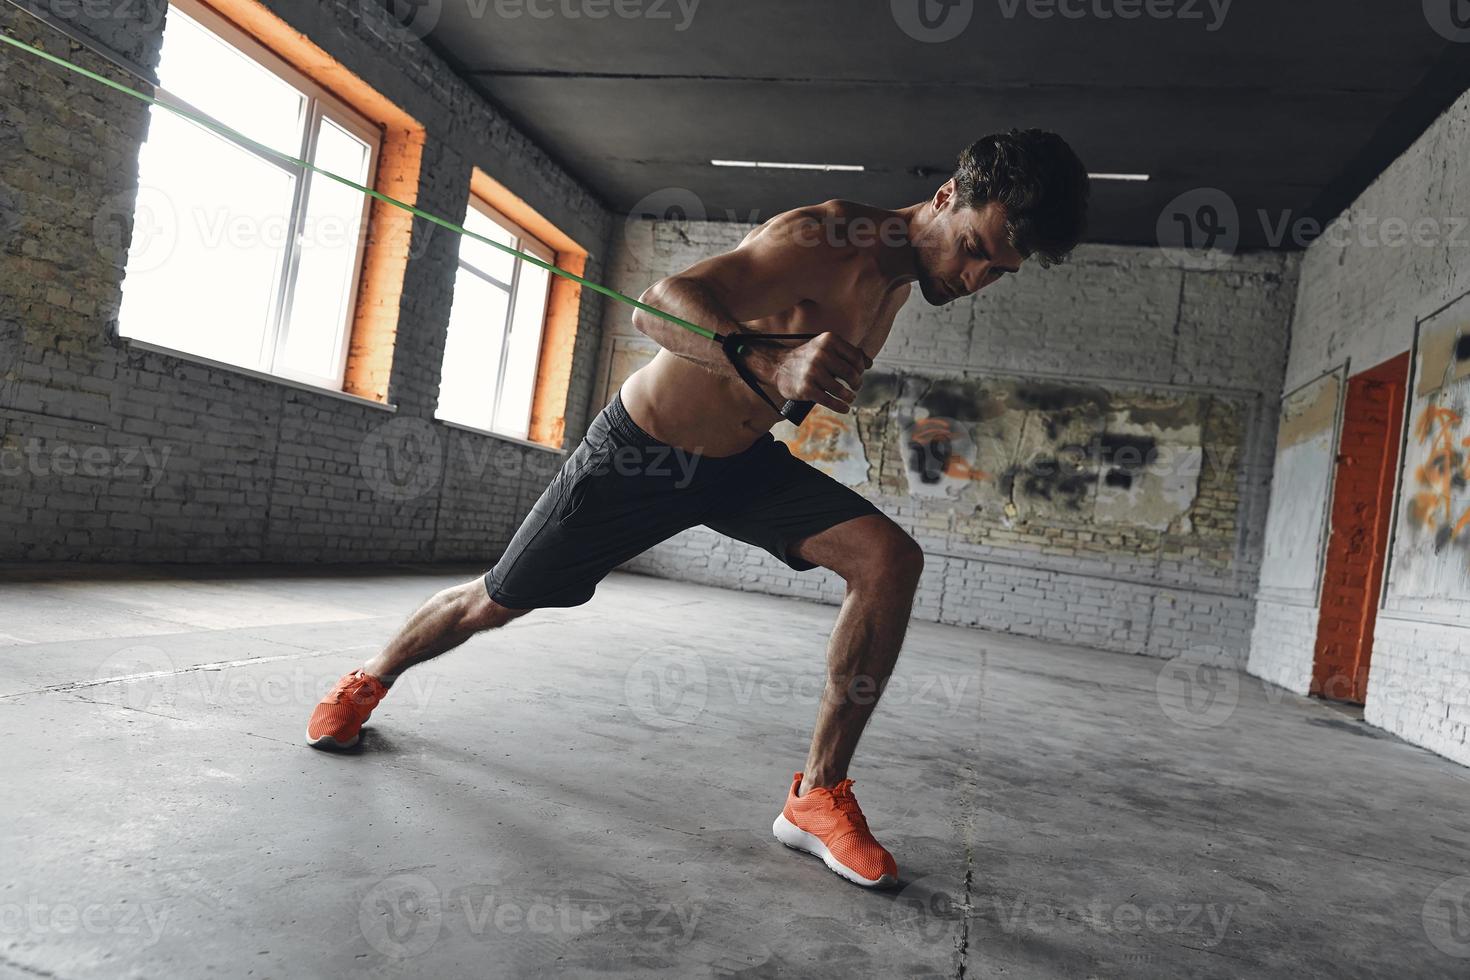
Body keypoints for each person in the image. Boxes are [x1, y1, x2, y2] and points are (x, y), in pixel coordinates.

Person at [307, 129, 1089, 888]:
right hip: (639, 455)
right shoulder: (822, 235)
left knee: (890, 560)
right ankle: (370, 678)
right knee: (495, 601)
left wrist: (783, 388)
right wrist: (770, 358)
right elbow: (658, 306)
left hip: (738, 470)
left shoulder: (897, 284)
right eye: (976, 248)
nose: (977, 276)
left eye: (1001, 271)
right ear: (946, 195)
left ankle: (817, 794)